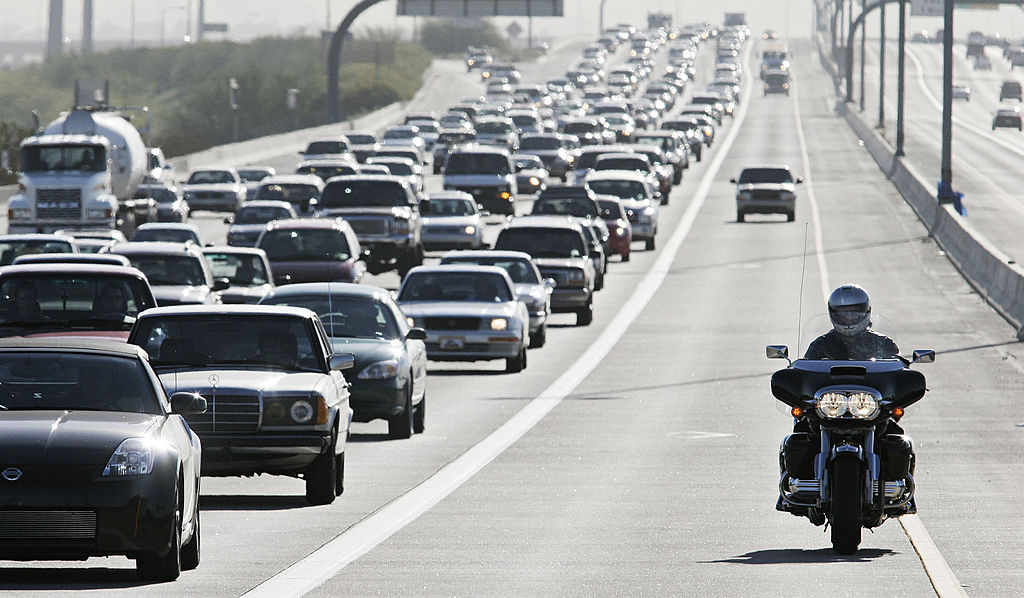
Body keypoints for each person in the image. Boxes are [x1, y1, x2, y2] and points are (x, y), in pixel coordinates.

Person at [803, 284, 899, 361]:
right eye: (843, 314)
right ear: (833, 314)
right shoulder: (821, 345)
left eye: (854, 314)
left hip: (872, 385)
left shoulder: (884, 343)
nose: (849, 318)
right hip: (833, 385)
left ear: (866, 311)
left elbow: (898, 370)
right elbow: (805, 372)